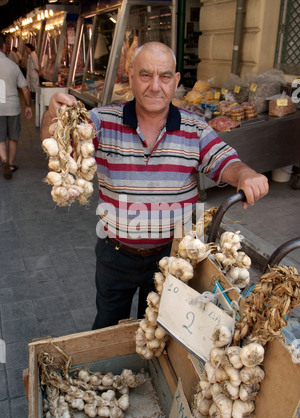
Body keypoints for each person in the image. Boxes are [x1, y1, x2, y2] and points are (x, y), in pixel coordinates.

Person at [41, 42, 269, 329]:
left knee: (160, 332)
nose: (154, 86)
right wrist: (54, 115)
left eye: (164, 76)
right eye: (146, 75)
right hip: (115, 254)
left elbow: (225, 162)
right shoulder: (101, 121)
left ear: (175, 82)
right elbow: (60, 146)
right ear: (132, 77)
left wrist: (245, 175)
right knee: (108, 327)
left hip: (172, 257)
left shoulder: (194, 128)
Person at [0, 34, 32, 179]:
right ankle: (11, 163)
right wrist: (28, 106)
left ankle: (4, 160)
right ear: (4, 47)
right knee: (13, 136)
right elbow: (25, 89)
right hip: (13, 107)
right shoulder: (13, 66)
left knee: (0, 137)